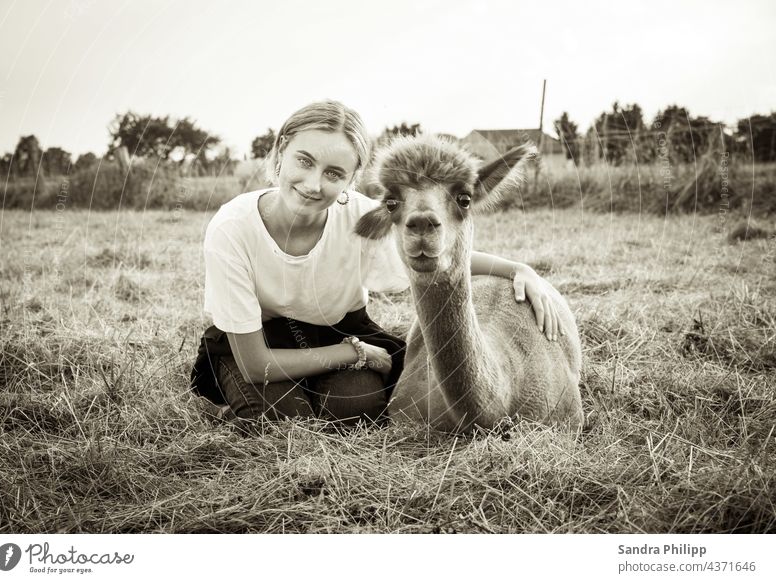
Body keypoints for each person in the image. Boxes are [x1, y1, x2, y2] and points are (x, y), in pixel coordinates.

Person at [190, 99, 562, 428]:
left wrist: (517, 269)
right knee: (286, 423)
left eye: (334, 173)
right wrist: (354, 354)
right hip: (259, 345)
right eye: (304, 161)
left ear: (352, 179)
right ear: (281, 149)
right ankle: (236, 398)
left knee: (358, 410)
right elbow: (256, 362)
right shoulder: (233, 228)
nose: (313, 184)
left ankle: (303, 392)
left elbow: (438, 251)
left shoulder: (362, 218)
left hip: (337, 329)